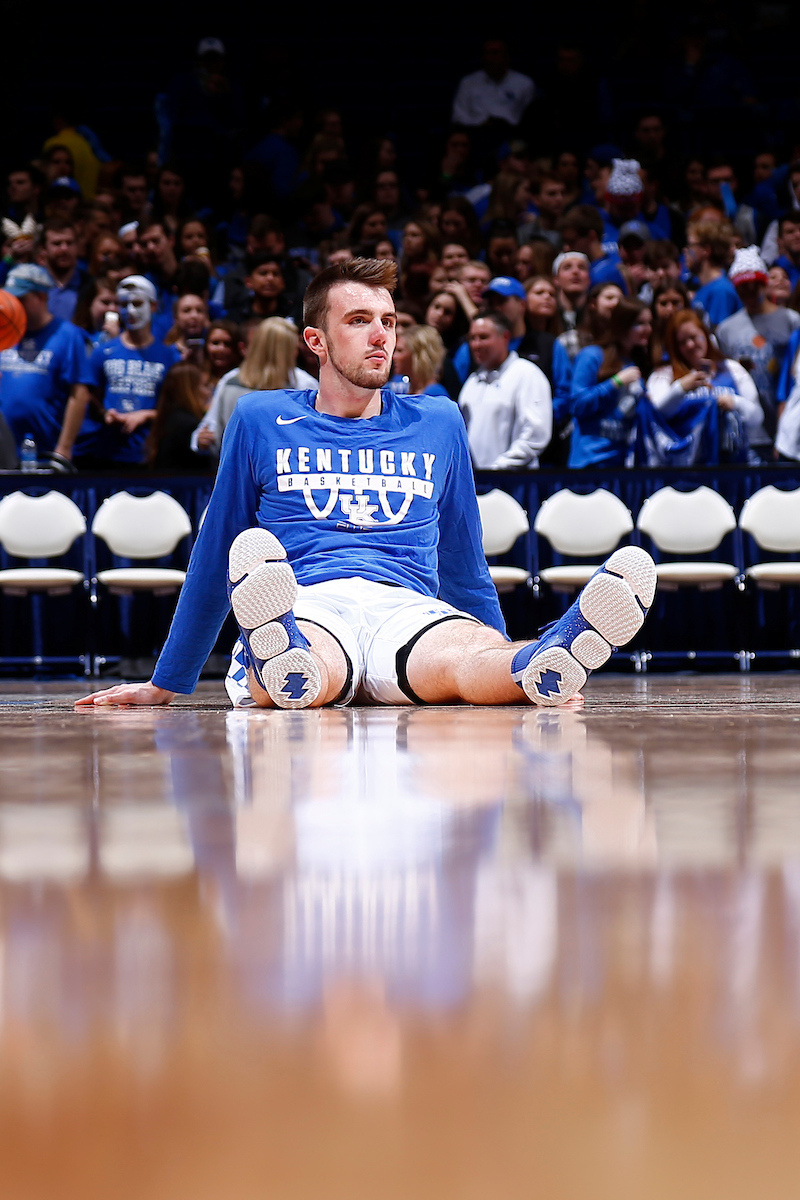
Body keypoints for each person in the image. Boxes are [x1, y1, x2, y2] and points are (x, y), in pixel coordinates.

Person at [77, 257, 655, 714]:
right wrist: (167, 681)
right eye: (358, 321)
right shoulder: (259, 418)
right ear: (317, 341)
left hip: (407, 606)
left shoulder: (438, 419)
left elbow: (462, 559)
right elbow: (215, 549)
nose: (380, 336)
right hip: (305, 600)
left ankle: (542, 659)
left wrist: (505, 661)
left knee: (462, 661)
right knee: (317, 664)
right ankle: (283, 655)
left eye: (388, 322)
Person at [80, 276, 181, 468]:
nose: (131, 311)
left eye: (137, 303)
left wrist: (146, 415)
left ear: (153, 306)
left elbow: (174, 407)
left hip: (148, 454)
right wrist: (105, 414)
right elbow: (91, 397)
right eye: (124, 304)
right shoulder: (103, 352)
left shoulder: (168, 356)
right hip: (108, 452)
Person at [644, 309, 763, 464]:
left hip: (730, 465)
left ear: (706, 336)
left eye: (694, 337)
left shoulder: (732, 369)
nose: (690, 345)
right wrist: (680, 388)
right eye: (682, 342)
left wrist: (735, 402)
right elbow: (656, 414)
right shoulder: (663, 375)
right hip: (685, 467)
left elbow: (757, 417)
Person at [0, 264, 93, 461]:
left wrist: (64, 447)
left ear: (41, 297)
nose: (12, 305)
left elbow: (79, 394)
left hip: (46, 451)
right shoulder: (4, 332)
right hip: (4, 450)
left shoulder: (68, 336)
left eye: (21, 299)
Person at [193, 316, 317, 457]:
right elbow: (210, 430)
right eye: (293, 347)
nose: (297, 351)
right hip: (237, 469)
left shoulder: (304, 384)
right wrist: (200, 440)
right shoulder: (231, 381)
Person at [458, 310, 552, 469]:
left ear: (505, 337)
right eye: (472, 338)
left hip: (513, 484)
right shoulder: (471, 382)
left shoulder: (527, 374)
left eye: (483, 337)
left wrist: (499, 470)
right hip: (477, 484)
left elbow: (536, 435)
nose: (476, 344)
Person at [568, 297, 652, 467]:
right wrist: (615, 382)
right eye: (640, 323)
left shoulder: (639, 362)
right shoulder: (592, 355)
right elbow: (578, 405)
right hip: (589, 462)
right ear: (623, 325)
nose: (647, 329)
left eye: (649, 323)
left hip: (622, 465)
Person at [451, 39, 535, 129]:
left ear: (506, 56)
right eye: (486, 53)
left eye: (494, 53)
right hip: (476, 134)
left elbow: (531, 120)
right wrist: (481, 124)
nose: (489, 58)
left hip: (512, 135)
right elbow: (458, 118)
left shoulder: (524, 83)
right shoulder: (468, 82)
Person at [147, 362, 211, 472]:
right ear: (189, 390)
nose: (209, 392)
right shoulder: (188, 424)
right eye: (205, 386)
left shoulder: (169, 417)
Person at [558, 206, 628, 293]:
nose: (566, 248)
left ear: (591, 236)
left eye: (572, 241)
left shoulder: (604, 274)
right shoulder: (600, 267)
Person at [686, 220, 741, 327]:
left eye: (691, 245)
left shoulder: (721, 290)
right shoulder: (703, 287)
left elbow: (717, 336)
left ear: (706, 250)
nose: (686, 251)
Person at [37, 219, 85, 321]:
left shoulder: (89, 285)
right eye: (57, 243)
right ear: (43, 249)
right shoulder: (33, 285)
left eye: (69, 243)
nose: (64, 249)